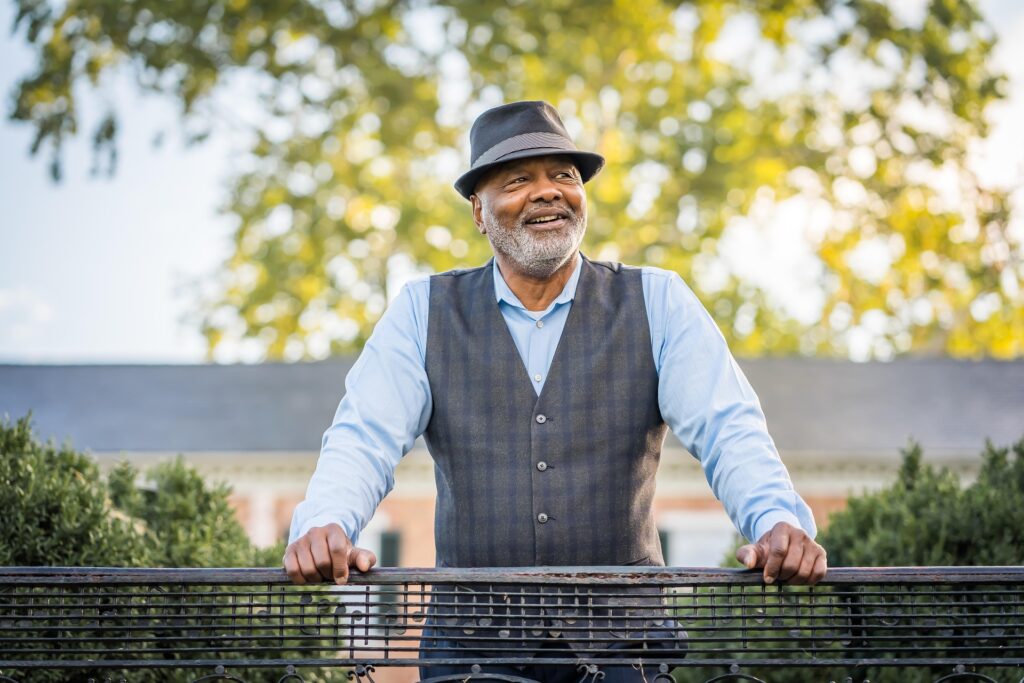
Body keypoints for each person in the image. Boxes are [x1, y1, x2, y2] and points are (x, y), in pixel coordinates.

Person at [284, 100, 827, 679]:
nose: (548, 192)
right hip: (472, 649)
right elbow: (364, 436)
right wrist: (326, 522)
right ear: (478, 211)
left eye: (563, 175)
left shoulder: (658, 300)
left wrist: (775, 520)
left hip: (624, 649)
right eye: (518, 180)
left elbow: (729, 428)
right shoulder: (423, 310)